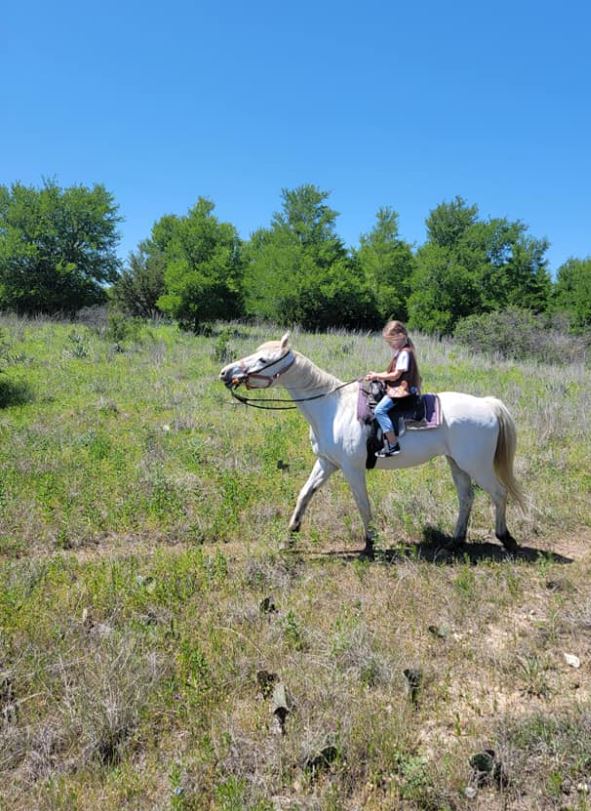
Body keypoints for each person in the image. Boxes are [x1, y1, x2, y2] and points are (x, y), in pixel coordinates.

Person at [365, 321, 422, 457]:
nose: (390, 345)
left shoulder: (404, 353)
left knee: (379, 410)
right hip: (399, 389)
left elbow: (395, 375)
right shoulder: (400, 352)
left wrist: (378, 376)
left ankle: (392, 445)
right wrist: (376, 375)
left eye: (391, 341)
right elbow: (389, 374)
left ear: (400, 336)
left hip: (403, 392)